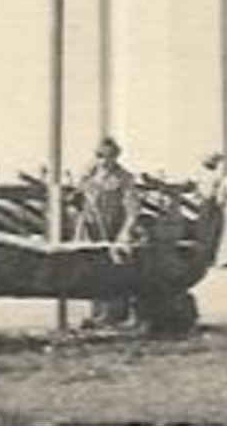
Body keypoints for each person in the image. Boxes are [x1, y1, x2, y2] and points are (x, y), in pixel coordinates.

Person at [73, 136, 141, 327]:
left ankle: (115, 315)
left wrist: (126, 232)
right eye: (100, 155)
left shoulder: (124, 178)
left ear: (116, 157)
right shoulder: (89, 175)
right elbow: (78, 199)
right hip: (90, 230)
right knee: (91, 273)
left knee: (114, 272)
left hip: (113, 230)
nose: (104, 160)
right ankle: (97, 313)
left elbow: (133, 209)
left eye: (108, 156)